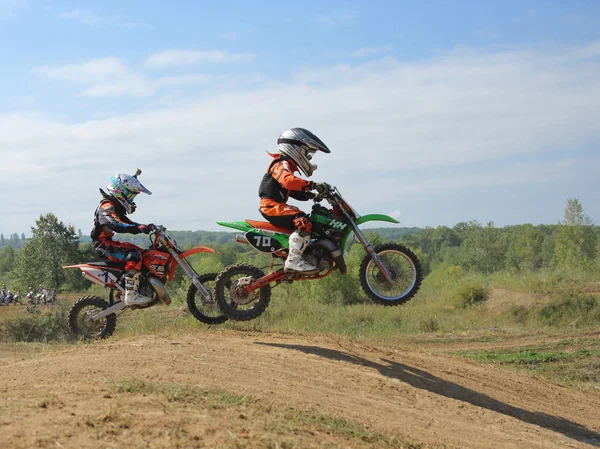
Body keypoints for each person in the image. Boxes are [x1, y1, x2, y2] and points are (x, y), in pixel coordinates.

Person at [258, 128, 331, 273]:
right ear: (296, 148)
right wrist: (313, 185)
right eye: (307, 153)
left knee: (305, 218)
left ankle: (303, 254)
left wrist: (312, 195)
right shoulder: (281, 163)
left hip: (275, 206)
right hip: (271, 206)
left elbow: (294, 191)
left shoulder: (287, 165)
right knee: (302, 221)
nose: (309, 158)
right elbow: (288, 181)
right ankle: (294, 261)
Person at [90, 169, 155, 306]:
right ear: (120, 191)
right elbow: (114, 224)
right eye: (130, 195)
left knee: (143, 253)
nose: (131, 199)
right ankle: (131, 296)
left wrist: (146, 227)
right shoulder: (106, 206)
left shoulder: (115, 207)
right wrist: (138, 228)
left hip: (108, 243)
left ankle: (133, 288)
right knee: (134, 255)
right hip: (103, 245)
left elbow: (129, 224)